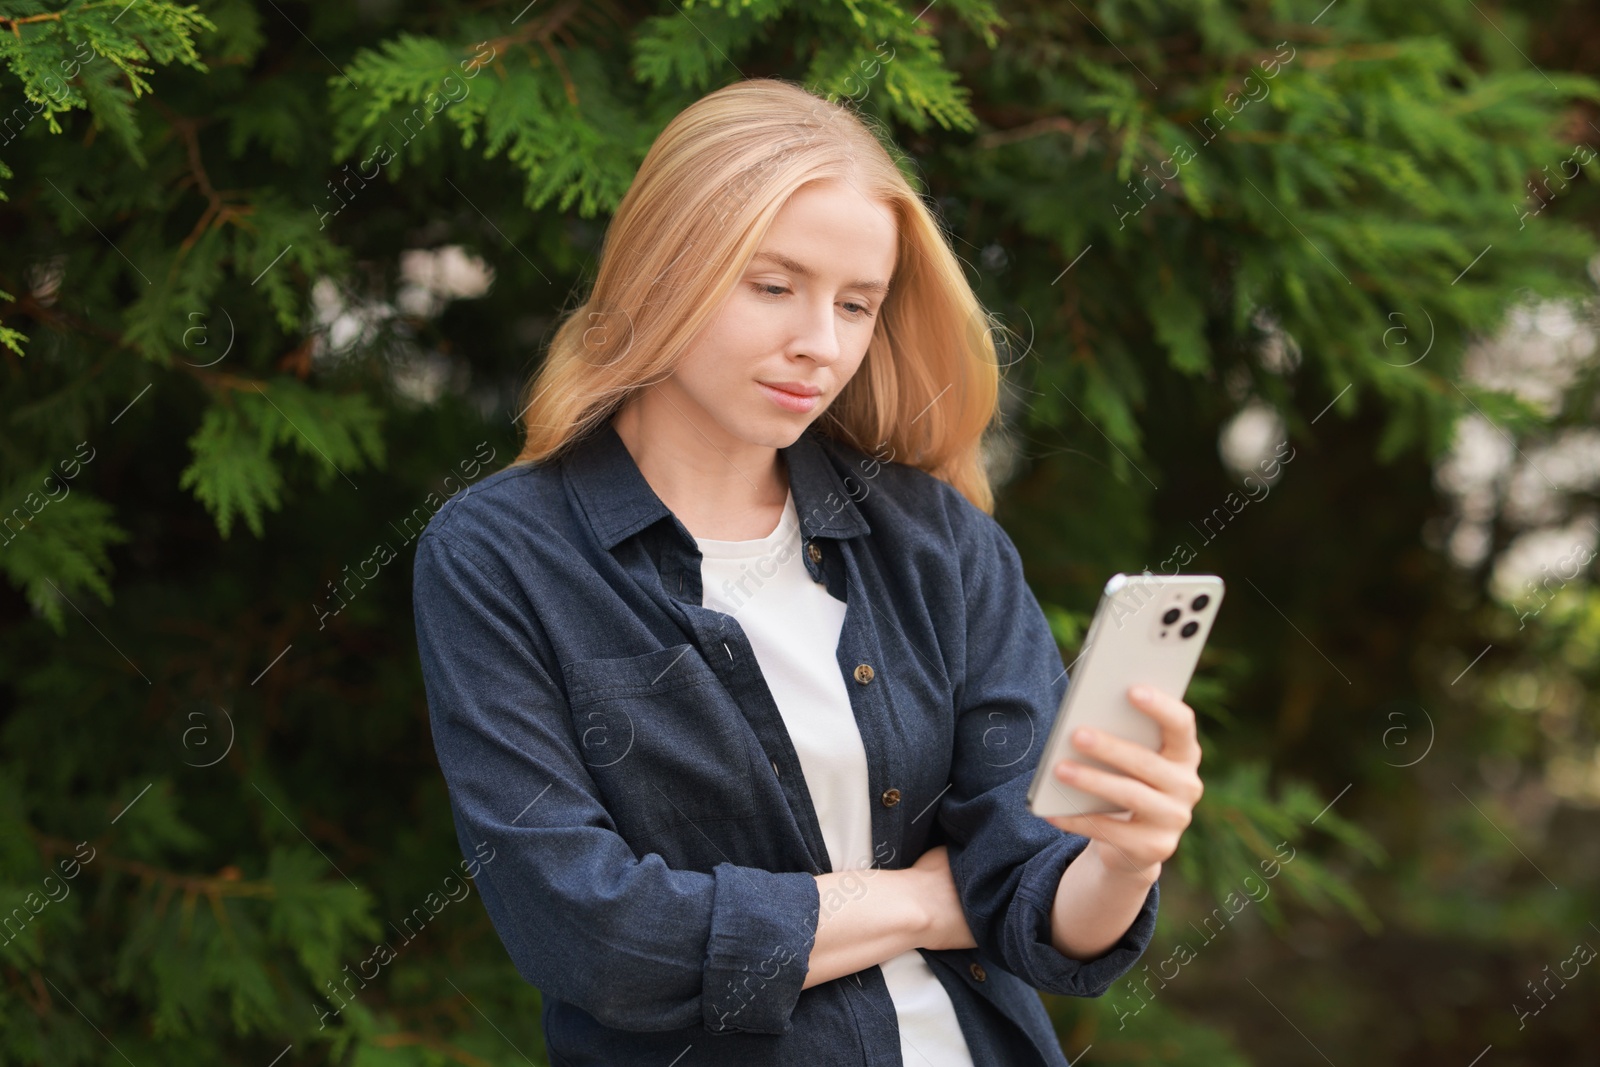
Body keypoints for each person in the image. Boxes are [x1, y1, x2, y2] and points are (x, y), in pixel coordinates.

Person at [411, 77, 1204, 1066]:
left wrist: (1124, 859)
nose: (818, 345)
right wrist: (925, 896)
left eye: (856, 304)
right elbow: (595, 934)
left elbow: (1039, 904)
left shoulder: (938, 541)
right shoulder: (501, 556)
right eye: (773, 285)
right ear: (665, 270)